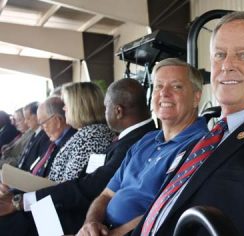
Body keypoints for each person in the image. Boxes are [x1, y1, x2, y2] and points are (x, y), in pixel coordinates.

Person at [132, 11, 244, 236]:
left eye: (243, 55)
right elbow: (161, 213)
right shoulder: (202, 141)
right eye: (219, 55)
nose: (226, 65)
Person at [0, 78, 157, 236]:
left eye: (106, 107)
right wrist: (18, 196)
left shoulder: (128, 139)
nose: (63, 109)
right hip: (73, 211)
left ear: (118, 111)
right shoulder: (128, 138)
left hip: (73, 215)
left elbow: (89, 186)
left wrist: (20, 201)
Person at [77, 58, 208, 236]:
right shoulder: (146, 140)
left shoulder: (201, 146)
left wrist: (114, 234)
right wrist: (91, 223)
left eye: (176, 86)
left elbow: (166, 213)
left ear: (196, 97)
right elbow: (107, 195)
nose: (164, 93)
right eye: (158, 86)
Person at [48, 82, 115, 182]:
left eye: (66, 104)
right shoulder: (86, 133)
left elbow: (71, 183)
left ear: (79, 107)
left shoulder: (92, 137)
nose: (63, 108)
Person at [17, 102, 50, 172]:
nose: (25, 122)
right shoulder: (34, 134)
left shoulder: (45, 136)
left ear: (37, 116)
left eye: (28, 118)